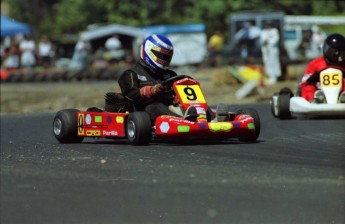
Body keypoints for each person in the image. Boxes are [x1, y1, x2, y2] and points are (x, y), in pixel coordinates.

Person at [105, 34, 199, 123]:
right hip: (143, 113)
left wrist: (175, 99)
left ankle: (207, 119)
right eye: (162, 56)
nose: (164, 60)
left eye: (167, 57)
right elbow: (130, 95)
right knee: (155, 107)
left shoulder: (170, 75)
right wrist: (150, 90)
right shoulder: (131, 74)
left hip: (169, 109)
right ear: (149, 52)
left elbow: (176, 95)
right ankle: (186, 122)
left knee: (194, 105)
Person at [299, 33, 345, 103]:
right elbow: (304, 83)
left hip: (341, 92)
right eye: (331, 51)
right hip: (319, 91)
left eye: (337, 53)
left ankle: (343, 99)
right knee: (308, 87)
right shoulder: (315, 64)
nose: (334, 55)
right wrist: (313, 77)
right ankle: (314, 100)